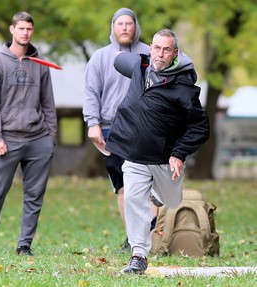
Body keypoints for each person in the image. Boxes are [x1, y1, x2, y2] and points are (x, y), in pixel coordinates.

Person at [106, 28, 210, 274]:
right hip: (134, 154)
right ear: (149, 48)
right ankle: (139, 255)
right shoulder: (139, 68)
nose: (160, 54)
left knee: (171, 200)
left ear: (175, 53)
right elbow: (117, 59)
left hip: (165, 158)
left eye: (166, 49)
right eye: (156, 48)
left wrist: (179, 153)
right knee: (132, 199)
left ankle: (157, 194)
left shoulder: (184, 88)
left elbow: (200, 128)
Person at [0, 11, 57, 257]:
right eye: (21, 28)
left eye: (29, 29)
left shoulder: (41, 64)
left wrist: (51, 139)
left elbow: (48, 104)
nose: (25, 32)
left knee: (34, 197)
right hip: (6, 141)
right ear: (12, 30)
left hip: (38, 140)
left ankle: (24, 245)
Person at [82, 7, 159, 251]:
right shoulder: (100, 57)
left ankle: (153, 237)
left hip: (146, 128)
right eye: (120, 24)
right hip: (111, 129)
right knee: (124, 186)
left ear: (136, 27)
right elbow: (91, 92)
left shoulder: (150, 53)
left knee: (150, 185)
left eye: (129, 23)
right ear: (113, 28)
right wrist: (92, 123)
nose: (125, 28)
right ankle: (133, 240)